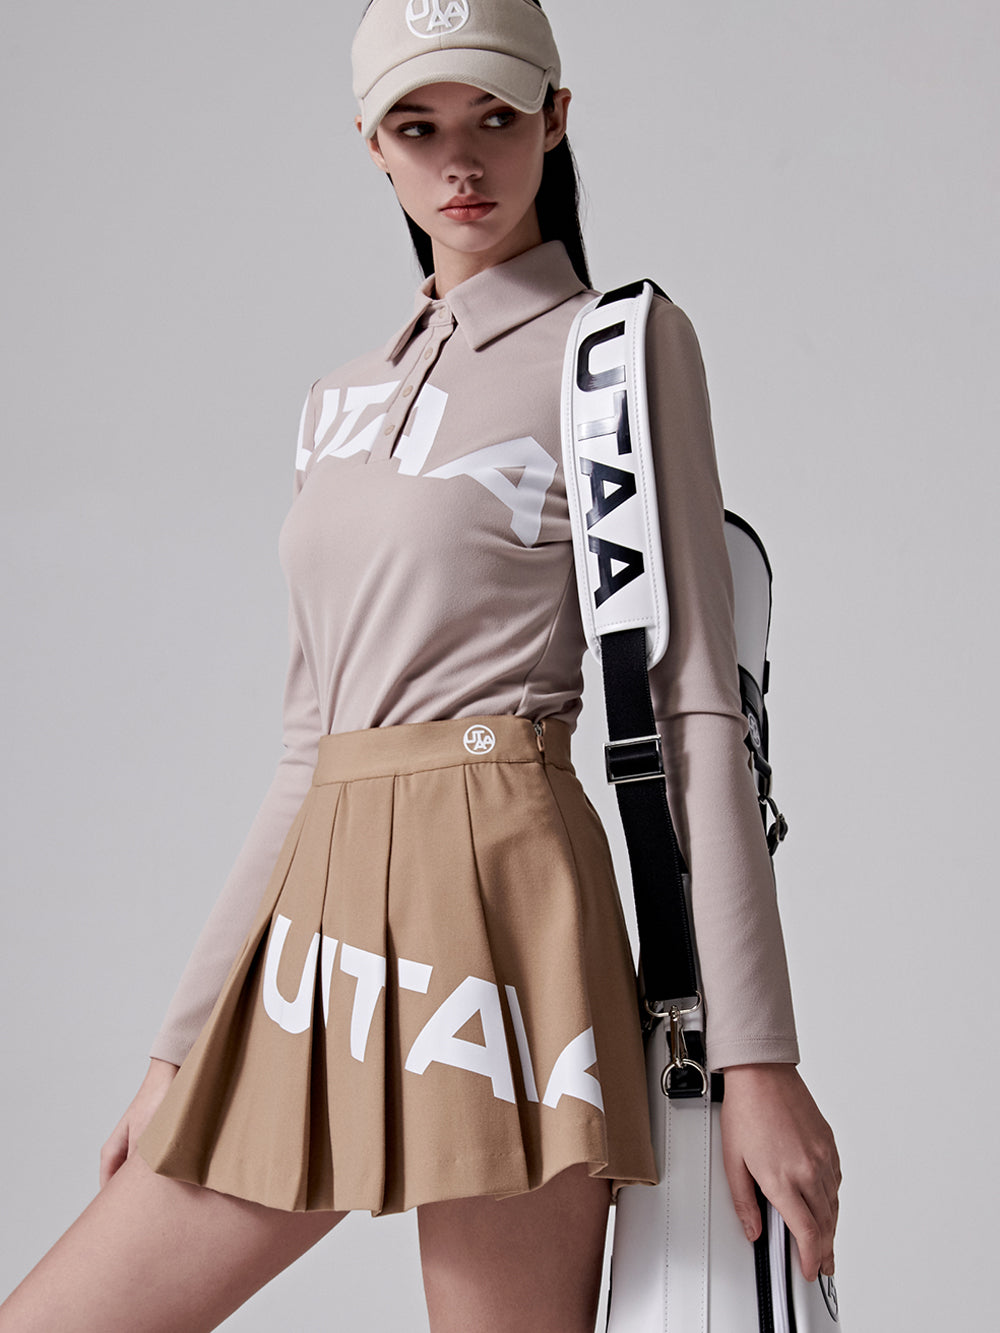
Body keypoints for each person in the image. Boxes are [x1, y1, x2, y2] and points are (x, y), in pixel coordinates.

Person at [0, 2, 840, 1329]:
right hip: (319, 920)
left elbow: (694, 707)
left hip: (503, 904)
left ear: (556, 120)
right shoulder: (337, 402)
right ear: (370, 144)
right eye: (418, 126)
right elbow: (307, 750)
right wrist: (180, 1046)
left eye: (496, 117)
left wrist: (757, 1058)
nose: (462, 160)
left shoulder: (614, 353)